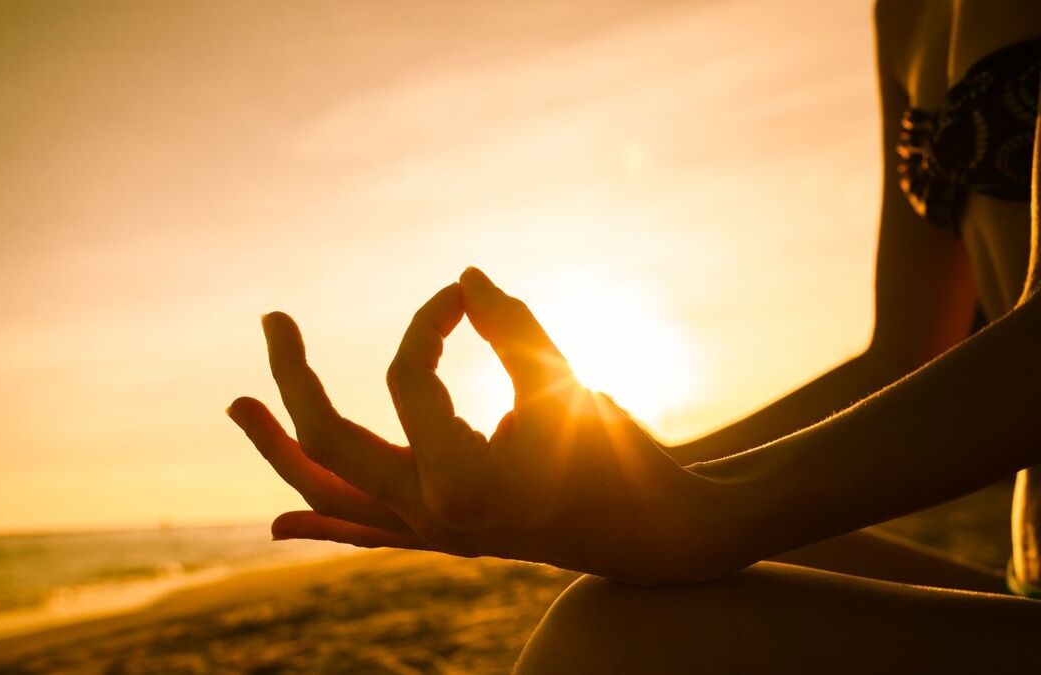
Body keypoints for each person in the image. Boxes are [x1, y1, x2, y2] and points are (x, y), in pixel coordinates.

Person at [228, 0, 1041, 671]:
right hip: (1020, 581)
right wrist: (610, 482)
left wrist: (708, 514)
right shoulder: (901, 12)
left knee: (606, 645)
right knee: (618, 601)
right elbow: (906, 352)